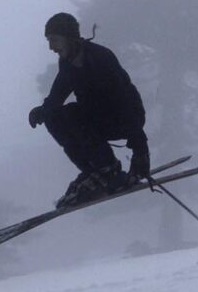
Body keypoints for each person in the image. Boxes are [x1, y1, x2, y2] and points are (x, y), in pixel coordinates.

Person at [28, 13, 150, 208]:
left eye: (54, 40)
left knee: (73, 116)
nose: (51, 48)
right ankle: (93, 173)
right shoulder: (68, 64)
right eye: (49, 41)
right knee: (55, 116)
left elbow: (125, 101)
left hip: (125, 119)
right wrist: (42, 111)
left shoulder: (101, 58)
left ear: (70, 38)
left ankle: (108, 171)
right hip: (97, 118)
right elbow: (58, 94)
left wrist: (140, 149)